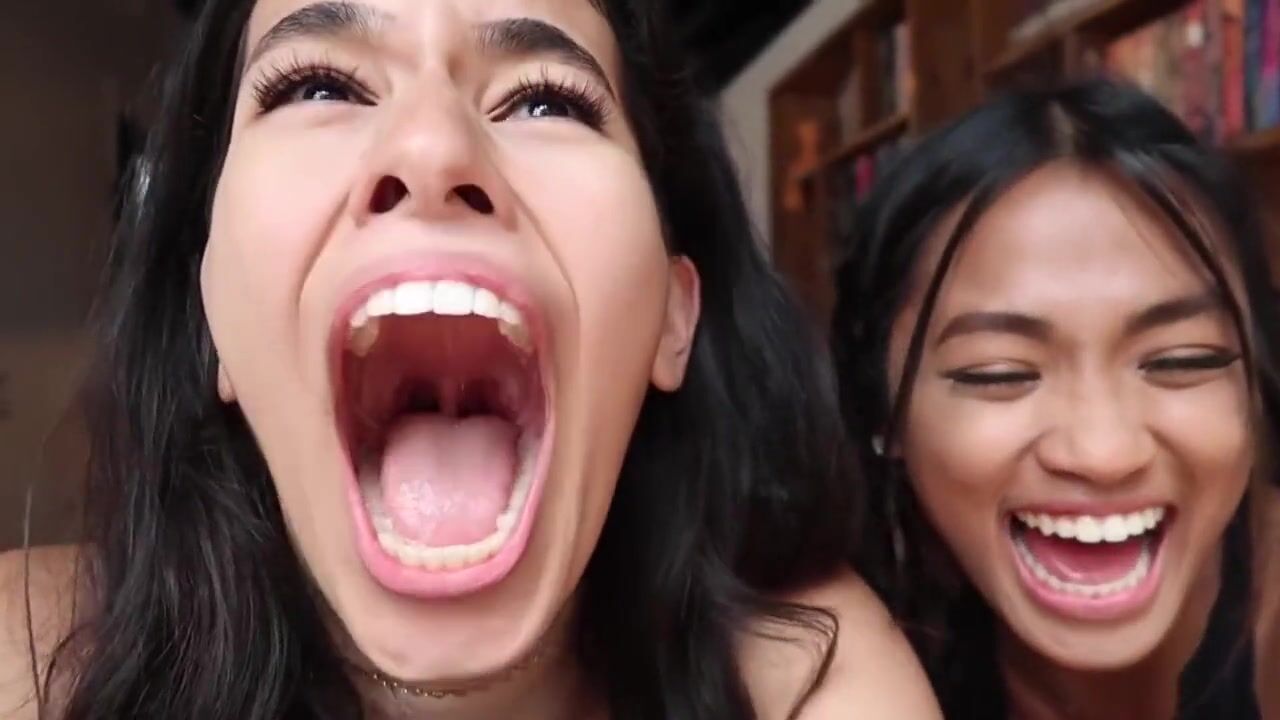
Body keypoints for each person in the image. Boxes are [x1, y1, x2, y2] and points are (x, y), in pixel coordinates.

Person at [0, 1, 942, 718]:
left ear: (671, 316)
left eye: (546, 100)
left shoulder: (810, 677)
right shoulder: (26, 663)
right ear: (214, 320)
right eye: (320, 88)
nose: (432, 147)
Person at [831, 77, 1280, 719]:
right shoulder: (817, 653)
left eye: (1182, 361)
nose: (1103, 453)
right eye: (998, 373)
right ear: (885, 410)